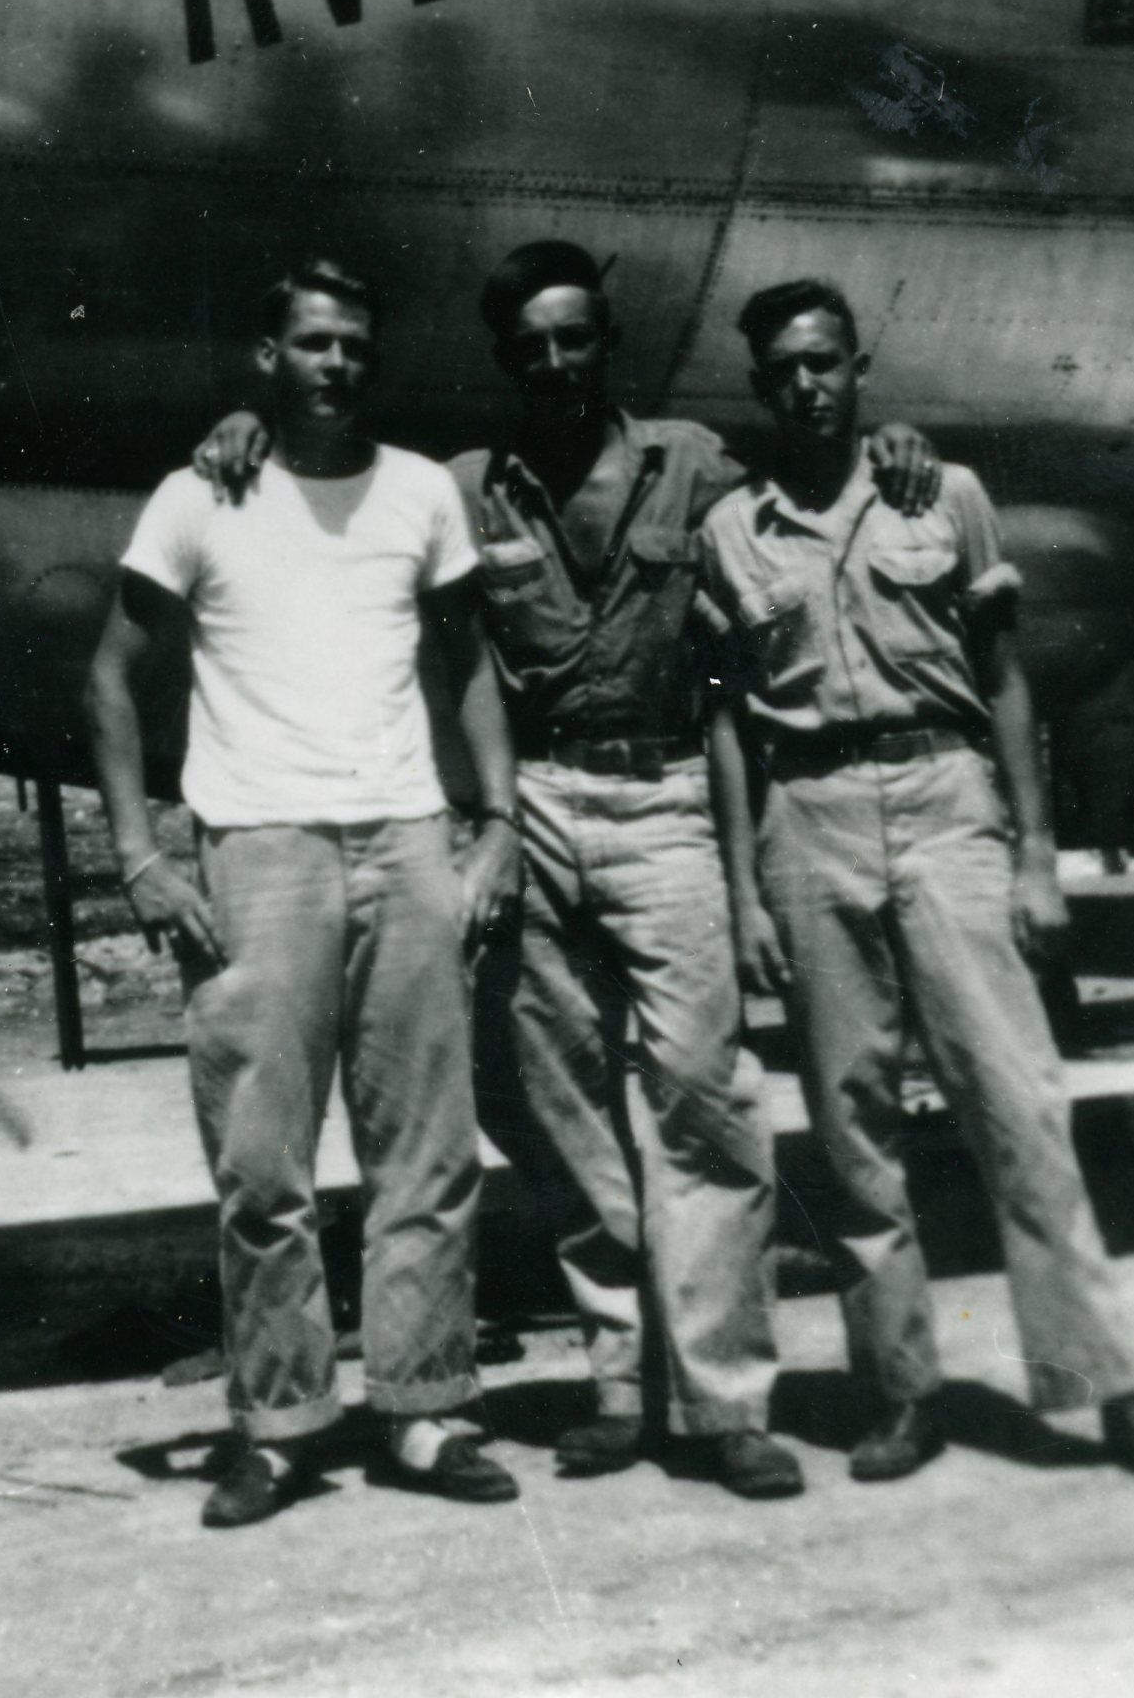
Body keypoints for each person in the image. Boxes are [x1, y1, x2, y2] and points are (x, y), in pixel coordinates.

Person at [195, 238, 939, 1501]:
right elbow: (340, 481)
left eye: (573, 337)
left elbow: (813, 478)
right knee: (561, 1109)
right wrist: (241, 427)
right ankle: (617, 1388)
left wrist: (896, 443)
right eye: (528, 344)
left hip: (665, 799)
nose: (552, 360)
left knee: (702, 1097)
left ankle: (724, 1403)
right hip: (529, 808)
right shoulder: (461, 486)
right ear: (504, 358)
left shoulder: (694, 462)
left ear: (606, 344)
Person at [697, 276, 1134, 1487]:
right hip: (806, 817)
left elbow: (1004, 677)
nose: (804, 385)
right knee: (852, 1129)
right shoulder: (731, 531)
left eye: (822, 361)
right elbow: (725, 723)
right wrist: (742, 891)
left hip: (944, 803)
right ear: (760, 387)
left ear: (856, 366)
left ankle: (1103, 1383)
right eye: (781, 371)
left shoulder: (946, 495)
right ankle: (902, 1391)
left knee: (1017, 1104)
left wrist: (1033, 854)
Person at [86, 259, 525, 1530]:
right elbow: (109, 677)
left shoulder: (420, 492)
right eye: (315, 342)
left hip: (404, 840)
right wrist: (139, 854)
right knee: (260, 1162)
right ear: (267, 356)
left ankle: (423, 1409)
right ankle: (278, 1428)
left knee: (425, 1154)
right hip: (260, 852)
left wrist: (496, 822)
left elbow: (469, 660)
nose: (338, 363)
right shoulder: (198, 495)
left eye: (355, 346)